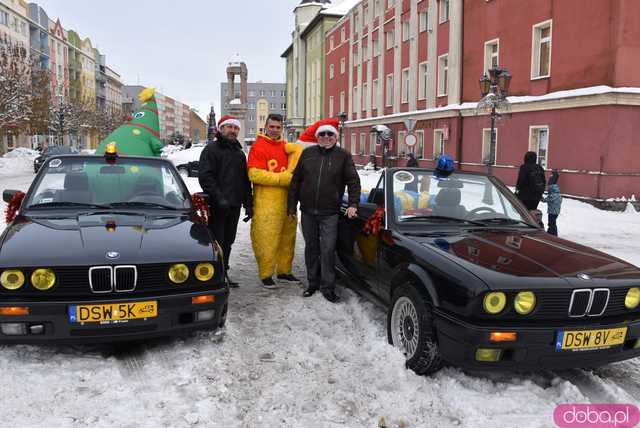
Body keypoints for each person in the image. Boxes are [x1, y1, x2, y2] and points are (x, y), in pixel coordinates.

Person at [287, 119, 361, 303]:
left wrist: (353, 204)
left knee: (327, 249)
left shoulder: (343, 155)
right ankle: (312, 283)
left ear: (335, 137)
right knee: (311, 248)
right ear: (317, 136)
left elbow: (353, 181)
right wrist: (291, 205)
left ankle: (328, 287)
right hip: (308, 211)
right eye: (322, 134)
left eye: (330, 134)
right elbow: (296, 181)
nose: (326, 137)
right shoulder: (308, 153)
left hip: (330, 212)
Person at [247, 113, 303, 289]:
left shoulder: (286, 147)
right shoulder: (258, 147)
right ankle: (266, 273)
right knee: (267, 239)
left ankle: (284, 271)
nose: (274, 130)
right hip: (267, 204)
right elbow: (254, 174)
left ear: (282, 128)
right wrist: (282, 179)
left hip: (288, 202)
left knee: (288, 238)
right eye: (272, 127)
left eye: (278, 127)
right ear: (266, 126)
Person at [198, 115, 253, 287]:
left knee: (228, 240)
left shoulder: (239, 153)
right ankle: (213, 275)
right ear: (221, 129)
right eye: (229, 127)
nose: (233, 130)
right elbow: (206, 177)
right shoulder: (211, 150)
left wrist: (248, 203)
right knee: (217, 241)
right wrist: (219, 198)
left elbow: (244, 181)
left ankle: (223, 271)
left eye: (236, 128)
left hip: (234, 205)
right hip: (217, 206)